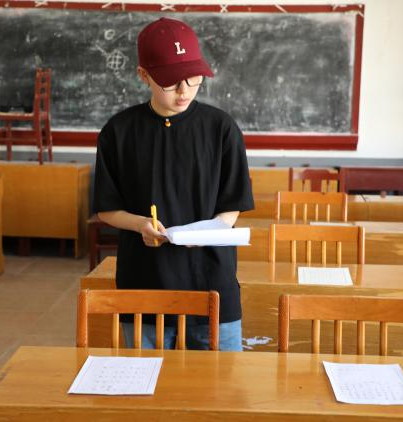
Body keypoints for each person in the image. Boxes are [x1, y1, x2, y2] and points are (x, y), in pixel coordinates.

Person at [93, 17, 254, 351]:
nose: (184, 91)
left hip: (212, 280)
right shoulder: (119, 132)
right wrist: (140, 224)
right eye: (170, 82)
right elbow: (107, 209)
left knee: (221, 379)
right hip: (146, 281)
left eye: (193, 79)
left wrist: (207, 231)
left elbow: (232, 205)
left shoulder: (221, 128)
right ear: (144, 75)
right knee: (146, 378)